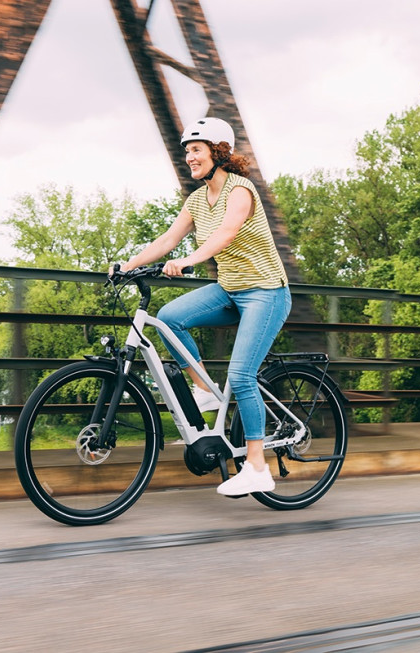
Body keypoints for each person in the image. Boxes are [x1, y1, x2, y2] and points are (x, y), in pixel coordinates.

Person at [116, 117, 291, 496]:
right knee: (169, 318)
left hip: (265, 292)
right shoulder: (197, 200)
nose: (189, 157)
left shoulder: (240, 190)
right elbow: (167, 239)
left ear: (218, 151)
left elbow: (227, 233)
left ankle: (257, 467)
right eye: (187, 152)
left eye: (196, 149)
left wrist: (191, 260)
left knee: (242, 376)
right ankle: (205, 390)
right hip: (230, 289)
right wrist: (125, 265)